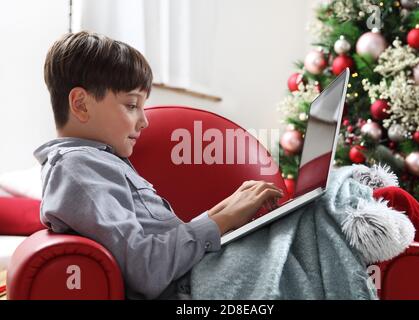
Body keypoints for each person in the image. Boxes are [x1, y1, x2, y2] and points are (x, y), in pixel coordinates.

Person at [34, 31, 284, 299]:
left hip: (201, 273)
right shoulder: (77, 169)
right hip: (198, 287)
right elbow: (147, 268)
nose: (144, 121)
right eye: (131, 105)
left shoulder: (96, 161)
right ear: (81, 104)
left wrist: (229, 208)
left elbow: (158, 242)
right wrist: (221, 220)